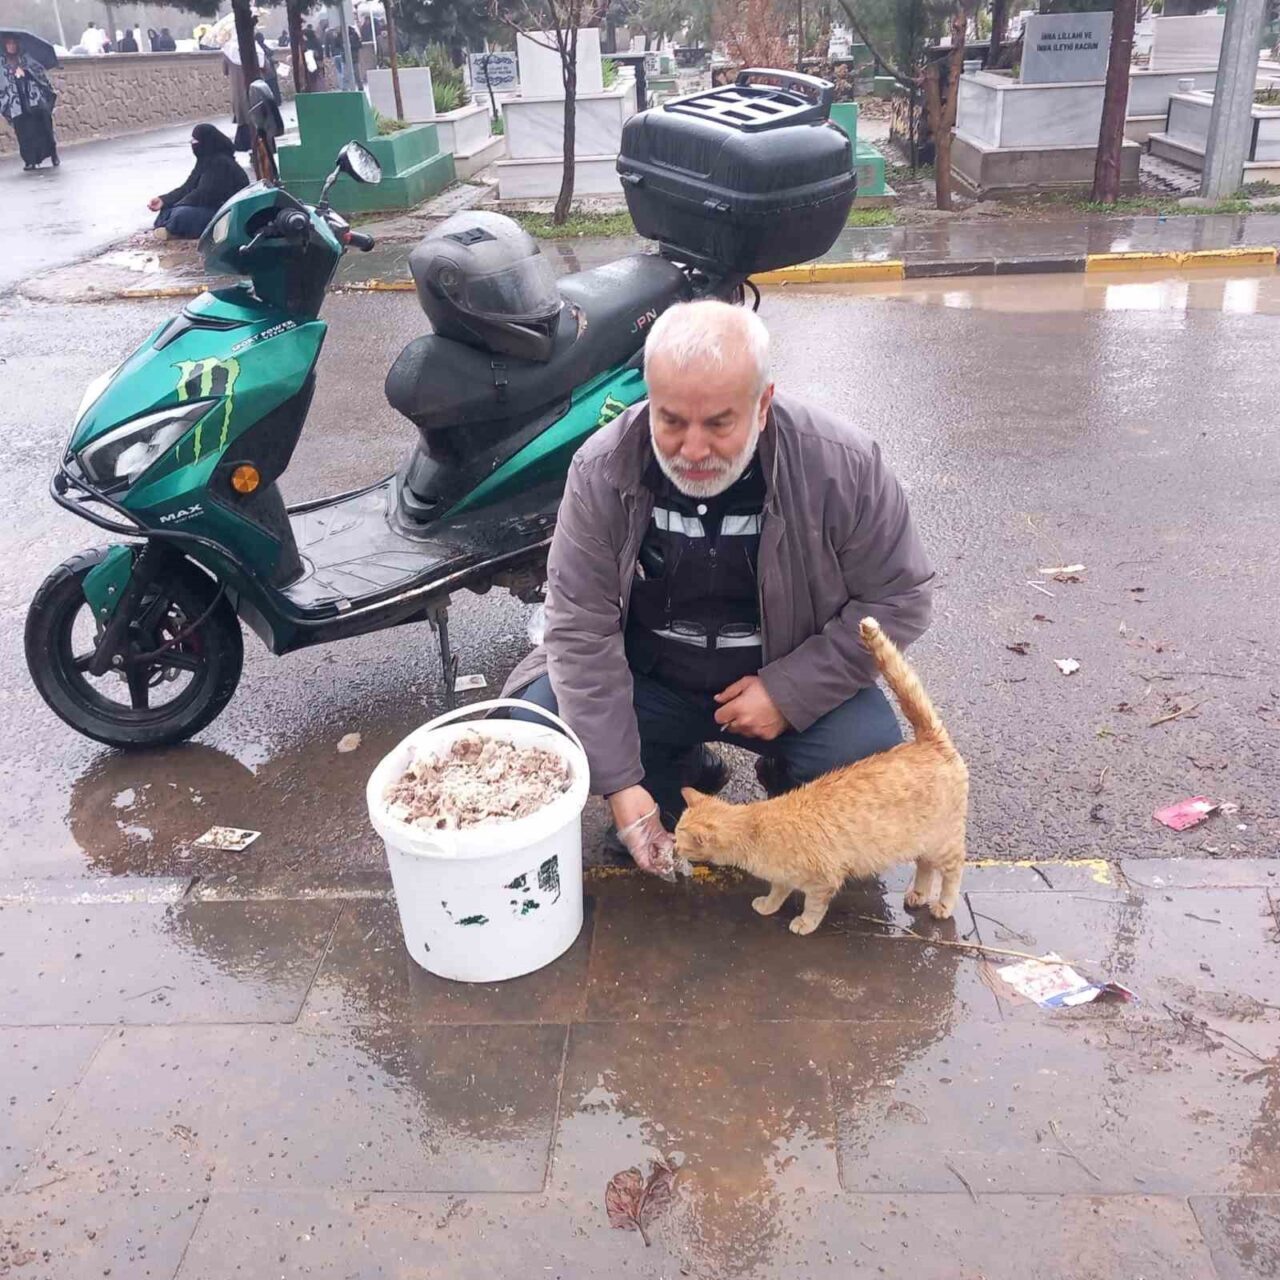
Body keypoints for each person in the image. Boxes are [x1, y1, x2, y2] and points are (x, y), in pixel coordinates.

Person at [505, 300, 935, 873]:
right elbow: (578, 627)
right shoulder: (602, 469)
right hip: (649, 684)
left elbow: (899, 597)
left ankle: (785, 786)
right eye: (672, 420)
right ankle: (672, 775)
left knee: (862, 758)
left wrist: (790, 691)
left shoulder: (842, 465)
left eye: (719, 424)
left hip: (780, 679)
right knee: (534, 733)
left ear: (763, 404)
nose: (693, 450)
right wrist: (622, 786)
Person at [147, 124, 248, 240]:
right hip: (207, 207)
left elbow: (205, 194)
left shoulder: (221, 163)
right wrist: (163, 200)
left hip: (226, 211)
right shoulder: (205, 161)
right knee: (167, 209)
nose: (193, 144)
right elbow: (187, 187)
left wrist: (179, 204)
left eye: (196, 140)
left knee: (181, 214)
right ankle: (171, 228)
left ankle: (171, 230)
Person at [1, 33, 59, 170]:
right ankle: (30, 160)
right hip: (16, 103)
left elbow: (40, 74)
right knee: (24, 133)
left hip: (34, 101)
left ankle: (52, 153)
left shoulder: (26, 58)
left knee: (44, 128)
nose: (11, 46)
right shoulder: (1, 63)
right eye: (9, 43)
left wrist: (26, 72)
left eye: (14, 43)